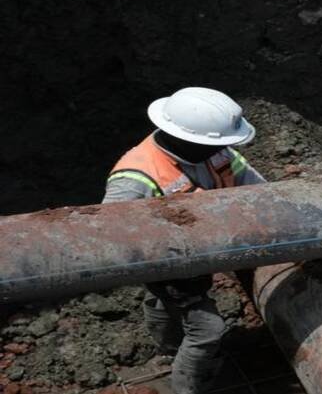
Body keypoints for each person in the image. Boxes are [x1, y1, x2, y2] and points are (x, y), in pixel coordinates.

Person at [102, 87, 265, 394]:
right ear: (187, 139)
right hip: (165, 264)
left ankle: (169, 350)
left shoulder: (214, 152)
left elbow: (256, 188)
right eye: (218, 143)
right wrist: (158, 269)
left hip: (199, 254)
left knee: (163, 305)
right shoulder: (134, 178)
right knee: (207, 331)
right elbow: (114, 237)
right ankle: (186, 388)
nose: (225, 149)